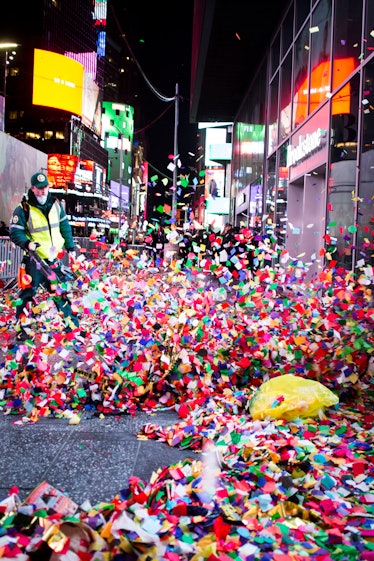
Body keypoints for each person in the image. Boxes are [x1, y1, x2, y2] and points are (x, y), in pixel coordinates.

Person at [9, 171, 79, 341]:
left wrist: (70, 247)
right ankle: (23, 328)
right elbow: (14, 232)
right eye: (39, 188)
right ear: (32, 189)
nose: (43, 191)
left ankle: (72, 327)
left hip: (52, 261)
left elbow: (65, 227)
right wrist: (27, 243)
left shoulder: (55, 204)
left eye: (45, 187)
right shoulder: (23, 209)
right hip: (34, 261)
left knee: (60, 293)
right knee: (27, 295)